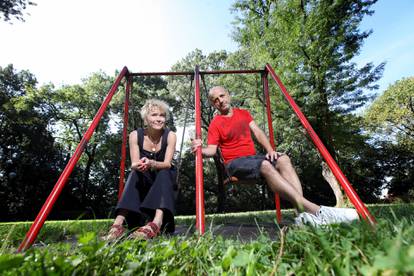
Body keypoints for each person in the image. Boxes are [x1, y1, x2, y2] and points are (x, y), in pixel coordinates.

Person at [191, 86, 359, 226]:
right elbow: (211, 150)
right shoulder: (215, 123)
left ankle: (301, 216)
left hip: (253, 158)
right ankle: (316, 211)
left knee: (283, 159)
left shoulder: (244, 113)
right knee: (265, 165)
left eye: (222, 95)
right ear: (214, 104)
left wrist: (270, 150)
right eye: (215, 100)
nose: (220, 100)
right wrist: (200, 148)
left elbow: (257, 131)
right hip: (234, 164)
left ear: (228, 95)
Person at [104, 99, 177, 241]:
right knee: (135, 172)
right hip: (143, 187)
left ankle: (156, 223)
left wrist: (152, 163)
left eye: (162, 115)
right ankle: (117, 224)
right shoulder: (135, 136)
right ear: (145, 118)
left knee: (165, 172)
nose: (159, 119)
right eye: (154, 115)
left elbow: (167, 163)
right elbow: (134, 163)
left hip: (163, 188)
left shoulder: (170, 136)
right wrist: (139, 165)